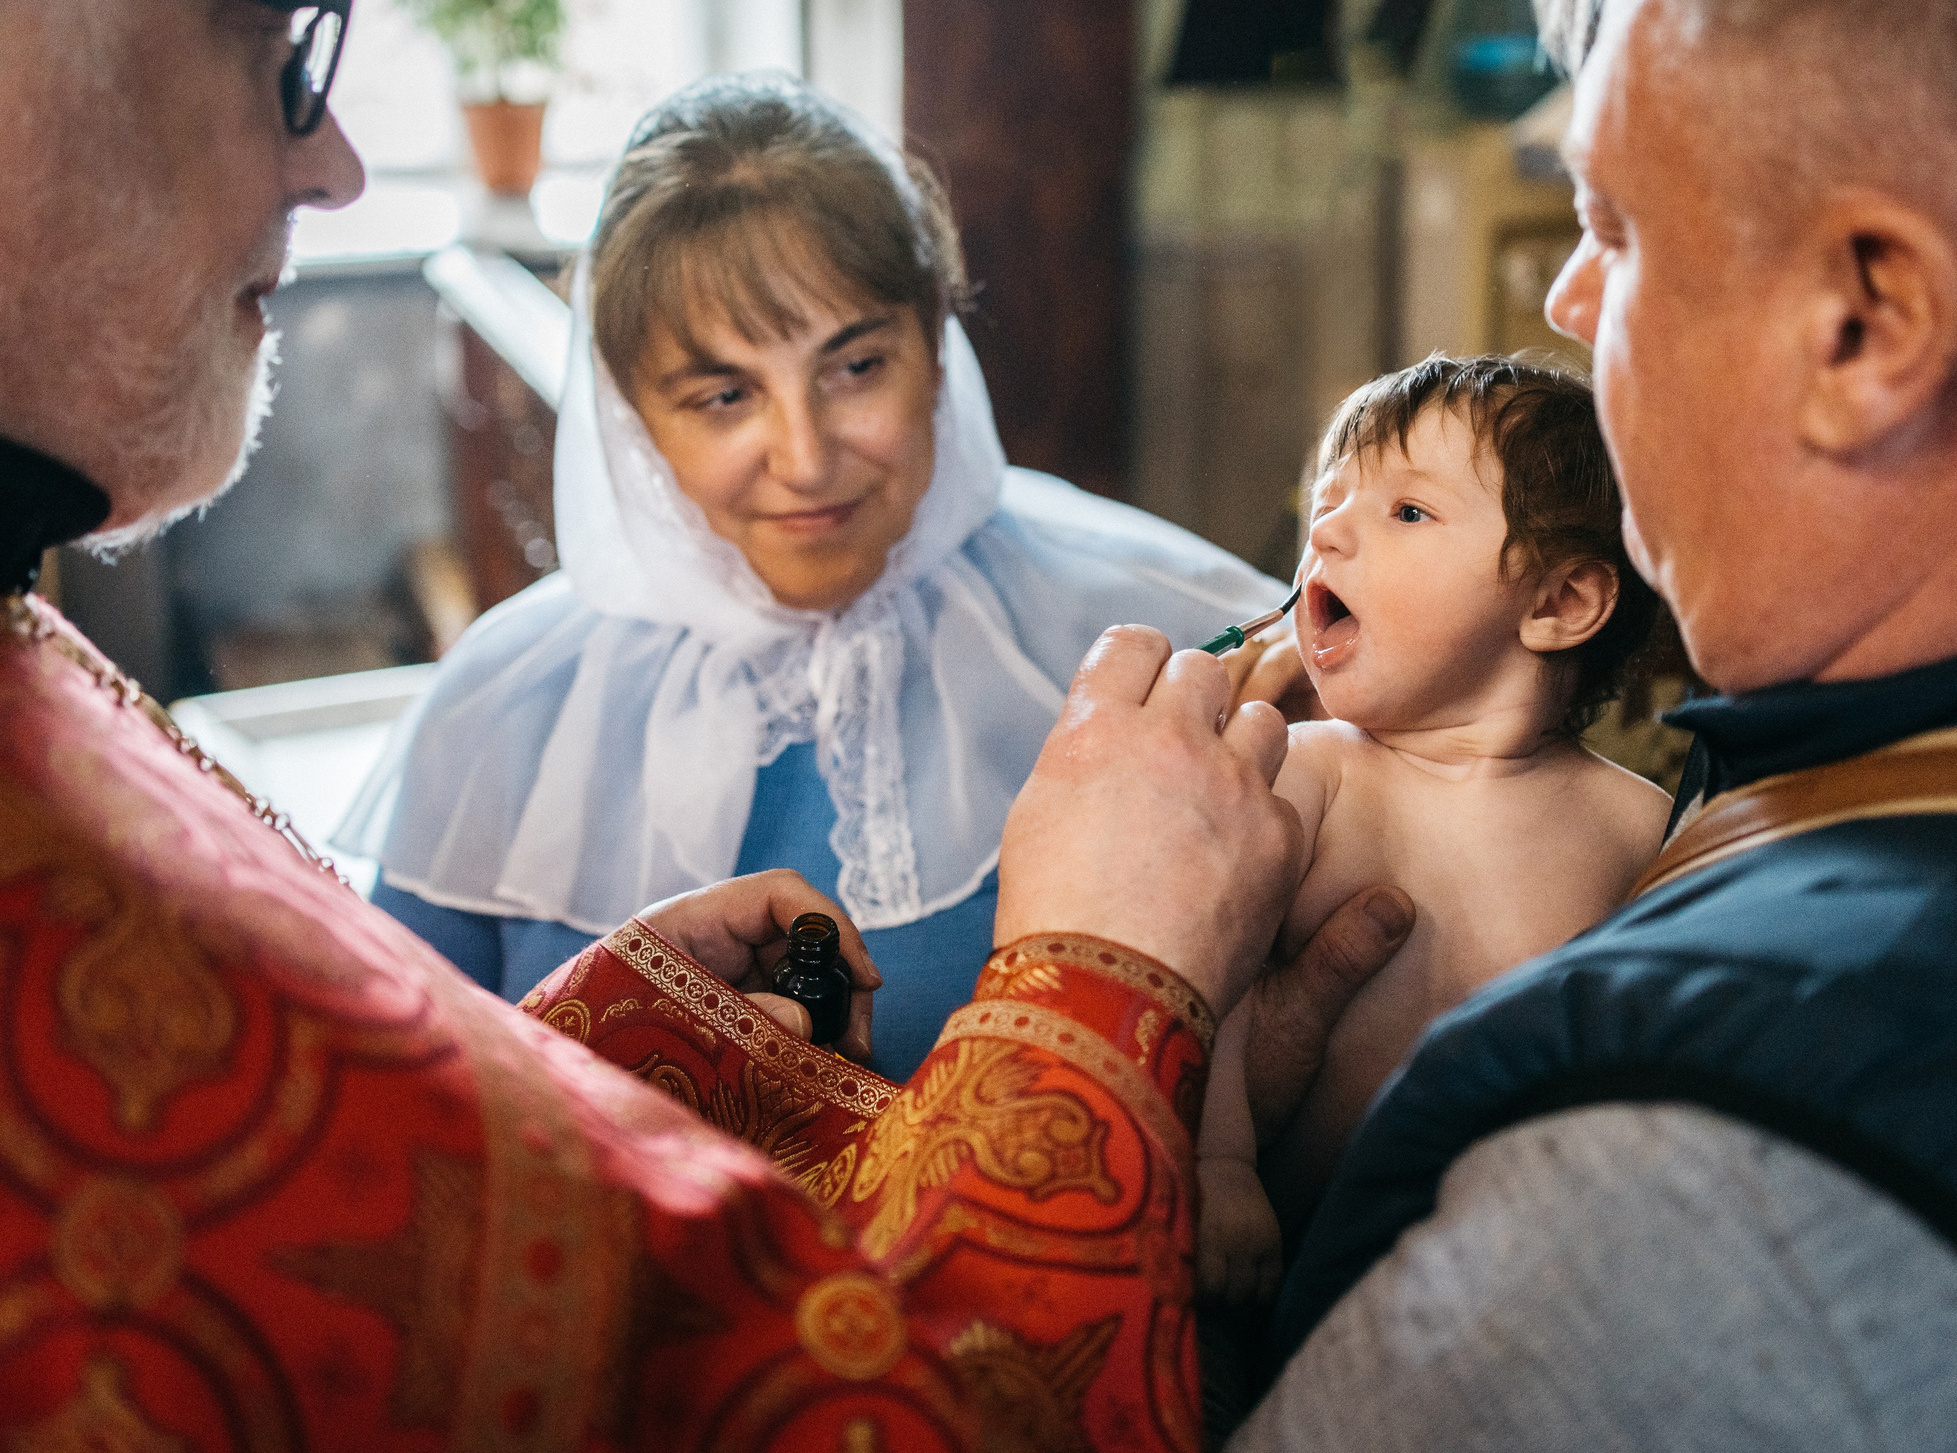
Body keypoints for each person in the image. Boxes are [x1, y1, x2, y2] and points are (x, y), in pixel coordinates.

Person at [0, 0, 1371, 1453]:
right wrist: (1110, 974)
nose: (341, 163)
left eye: (857, 364)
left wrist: (600, 1042)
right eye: (276, 48)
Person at [1230, 0, 1957, 1453]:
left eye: (1619, 228)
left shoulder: (1714, 1186)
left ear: (1864, 327)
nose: (1568, 298)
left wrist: (1090, 1007)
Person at [345, 73, 1287, 1081]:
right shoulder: (506, 704)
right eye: (722, 395)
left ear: (933, 339)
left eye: (854, 369)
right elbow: (410, 1100)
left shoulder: (1166, 639)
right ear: (632, 416)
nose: (803, 456)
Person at [1195, 357, 1669, 1310]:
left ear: (1559, 603)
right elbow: (1208, 977)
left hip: (1526, 1286)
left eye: (1407, 512)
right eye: (1327, 505)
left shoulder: (1639, 825)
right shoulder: (1307, 771)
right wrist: (1220, 1166)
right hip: (1285, 1275)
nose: (1324, 532)